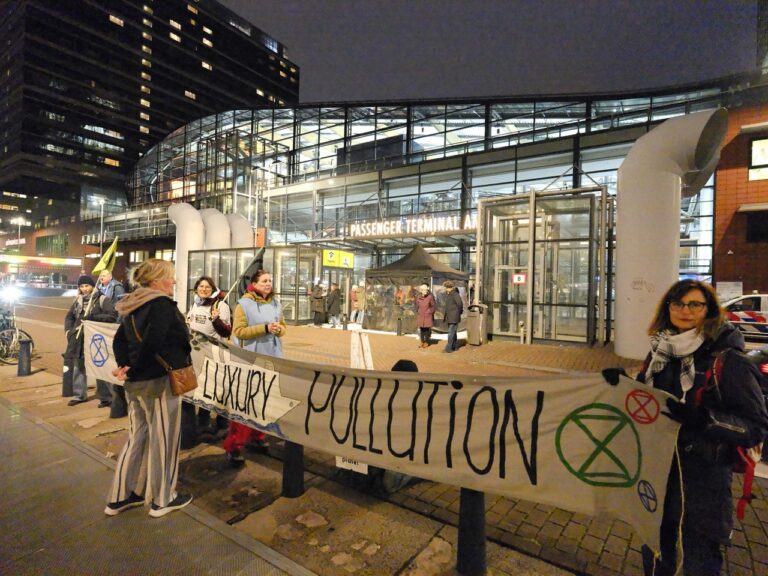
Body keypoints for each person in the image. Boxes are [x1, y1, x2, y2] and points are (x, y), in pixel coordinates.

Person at [606, 279, 768, 576]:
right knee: (655, 551)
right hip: (656, 473)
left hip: (701, 482)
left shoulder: (728, 360)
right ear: (667, 308)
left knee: (699, 559)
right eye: (678, 303)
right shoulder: (660, 352)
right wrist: (623, 384)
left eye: (695, 304)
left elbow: (755, 427)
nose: (685, 310)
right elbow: (649, 400)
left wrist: (704, 419)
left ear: (709, 310)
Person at [105, 258, 193, 518]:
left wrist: (126, 367)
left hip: (135, 385)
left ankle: (120, 497)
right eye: (170, 277)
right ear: (156, 281)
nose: (174, 281)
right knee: (164, 439)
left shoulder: (133, 303)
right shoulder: (161, 305)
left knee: (136, 437)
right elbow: (154, 342)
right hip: (158, 382)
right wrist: (139, 368)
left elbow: (119, 340)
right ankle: (164, 498)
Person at [226, 269, 286, 467]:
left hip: (272, 359)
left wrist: (279, 329)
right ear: (254, 283)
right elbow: (239, 332)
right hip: (250, 361)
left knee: (264, 402)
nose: (269, 284)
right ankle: (234, 445)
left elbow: (283, 327)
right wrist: (265, 328)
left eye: (270, 280)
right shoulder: (243, 304)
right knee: (245, 404)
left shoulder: (276, 303)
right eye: (264, 281)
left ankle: (257, 436)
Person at [185, 276, 232, 443]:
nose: (204, 289)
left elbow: (226, 332)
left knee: (218, 391)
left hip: (215, 356)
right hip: (197, 356)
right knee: (204, 390)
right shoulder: (195, 304)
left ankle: (222, 425)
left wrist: (216, 319)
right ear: (196, 288)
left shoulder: (220, 305)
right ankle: (203, 423)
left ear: (213, 289)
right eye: (201, 286)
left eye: (207, 287)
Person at [64, 275, 117, 406]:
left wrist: (93, 317)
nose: (84, 289)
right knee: (78, 367)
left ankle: (106, 397)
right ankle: (79, 395)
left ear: (93, 286)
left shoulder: (102, 299)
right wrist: (68, 331)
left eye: (87, 286)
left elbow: (112, 316)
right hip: (78, 339)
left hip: (96, 339)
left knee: (99, 367)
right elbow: (69, 317)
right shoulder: (78, 301)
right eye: (81, 286)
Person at [95, 270, 126, 412]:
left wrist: (115, 325)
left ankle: (118, 398)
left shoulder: (117, 287)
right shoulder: (99, 287)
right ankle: (105, 396)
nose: (101, 278)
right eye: (100, 276)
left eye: (104, 276)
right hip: (102, 326)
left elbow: (120, 307)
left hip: (112, 325)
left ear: (110, 277)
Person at [442, 280, 463, 353]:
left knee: (451, 332)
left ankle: (448, 348)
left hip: (453, 317)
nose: (446, 288)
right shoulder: (449, 294)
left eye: (447, 287)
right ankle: (454, 346)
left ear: (450, 287)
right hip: (451, 316)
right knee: (453, 332)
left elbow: (460, 304)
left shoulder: (455, 294)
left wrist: (458, 313)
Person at [414, 283, 436, 348]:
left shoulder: (430, 297)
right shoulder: (418, 297)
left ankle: (426, 342)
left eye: (426, 290)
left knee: (426, 329)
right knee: (421, 329)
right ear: (421, 290)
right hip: (420, 315)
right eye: (423, 290)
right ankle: (422, 341)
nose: (425, 291)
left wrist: (430, 312)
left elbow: (433, 306)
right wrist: (418, 311)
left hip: (427, 316)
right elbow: (416, 305)